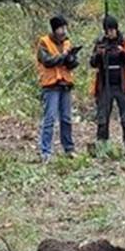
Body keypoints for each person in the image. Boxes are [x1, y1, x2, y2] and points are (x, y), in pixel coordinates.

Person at [35, 15, 80, 161]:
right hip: (51, 85)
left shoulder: (67, 43)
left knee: (66, 118)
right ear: (54, 29)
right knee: (50, 119)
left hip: (65, 84)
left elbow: (72, 65)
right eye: (61, 28)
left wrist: (71, 58)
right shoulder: (43, 43)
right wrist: (63, 56)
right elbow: (47, 61)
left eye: (64, 28)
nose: (63, 31)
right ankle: (45, 152)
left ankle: (69, 149)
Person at [90, 14, 125, 147]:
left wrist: (123, 53)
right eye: (107, 30)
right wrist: (98, 55)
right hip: (105, 86)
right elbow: (93, 63)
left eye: (112, 30)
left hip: (122, 86)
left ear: (116, 29)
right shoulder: (100, 44)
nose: (110, 33)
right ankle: (102, 145)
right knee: (103, 117)